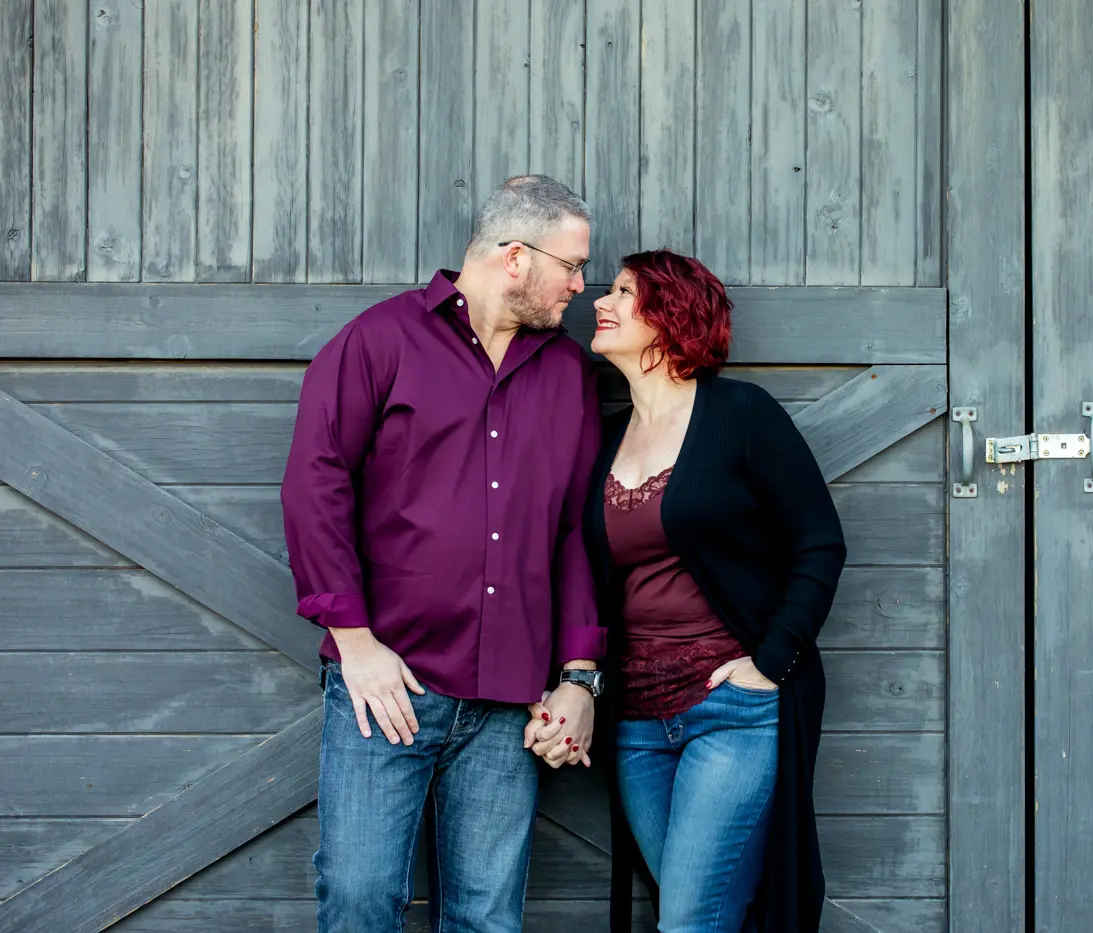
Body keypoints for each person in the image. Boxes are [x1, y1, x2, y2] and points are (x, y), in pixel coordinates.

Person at [280, 174, 609, 933]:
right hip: (389, 686)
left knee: (487, 919)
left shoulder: (566, 374)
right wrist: (353, 641)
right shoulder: (379, 340)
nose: (581, 286)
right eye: (572, 265)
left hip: (507, 700)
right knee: (359, 899)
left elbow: (575, 530)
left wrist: (580, 676)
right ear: (516, 259)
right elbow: (314, 484)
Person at [528, 249, 846, 932]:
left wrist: (768, 662)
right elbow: (579, 568)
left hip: (730, 712)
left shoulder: (741, 415)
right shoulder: (605, 438)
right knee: (699, 912)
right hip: (638, 724)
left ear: (670, 316)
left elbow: (819, 543)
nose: (598, 305)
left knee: (691, 920)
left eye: (621, 294)